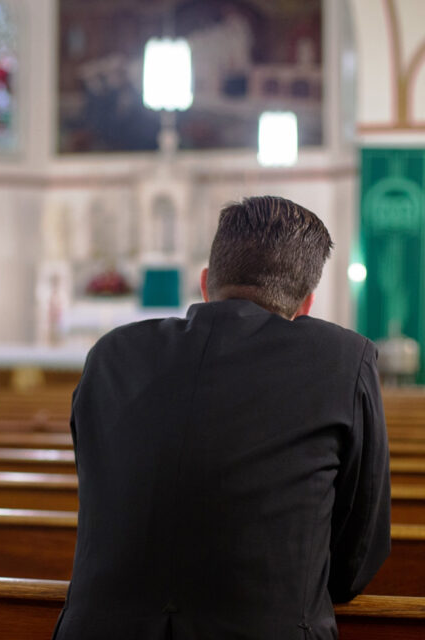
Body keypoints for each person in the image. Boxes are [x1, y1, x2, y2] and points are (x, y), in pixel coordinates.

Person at [53, 196, 391, 640]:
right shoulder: (343, 361)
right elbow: (357, 556)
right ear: (306, 304)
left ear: (206, 283)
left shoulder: (110, 356)